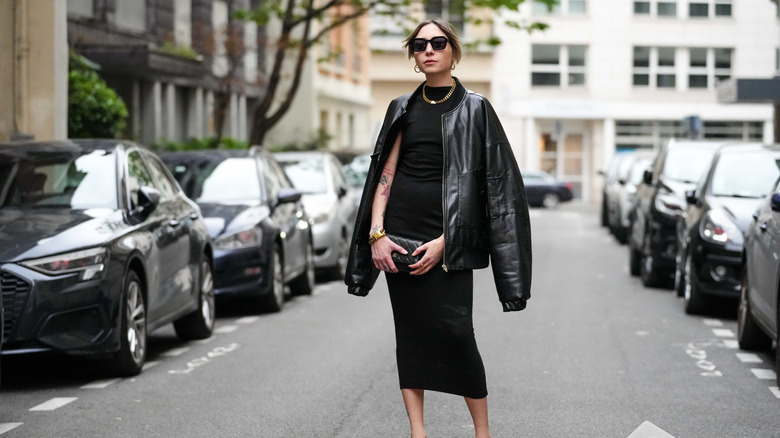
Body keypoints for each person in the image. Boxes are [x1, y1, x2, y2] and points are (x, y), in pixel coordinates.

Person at [345, 18, 532, 438]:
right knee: (409, 337)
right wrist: (377, 234)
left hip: (449, 244)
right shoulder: (401, 108)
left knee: (457, 335)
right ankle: (418, 431)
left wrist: (448, 243)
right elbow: (384, 175)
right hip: (399, 239)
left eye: (438, 42)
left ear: (453, 50)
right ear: (413, 55)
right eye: (419, 44)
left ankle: (482, 432)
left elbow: (494, 190)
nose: (428, 49)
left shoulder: (476, 108)